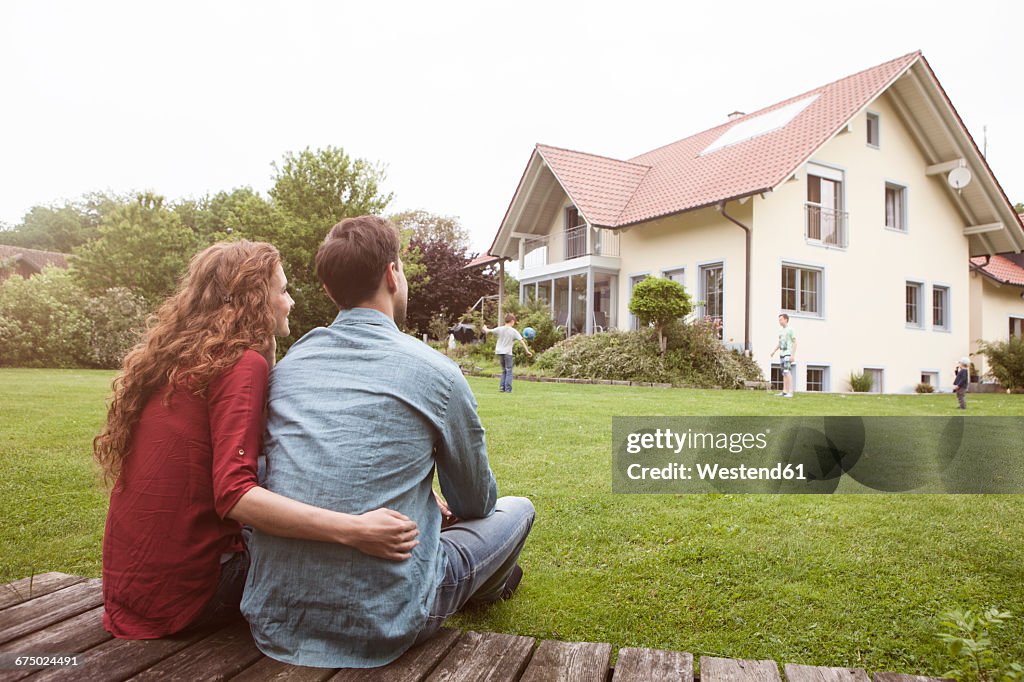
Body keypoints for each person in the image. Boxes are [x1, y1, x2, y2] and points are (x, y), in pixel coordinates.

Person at [242, 216, 535, 669]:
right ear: (392, 273)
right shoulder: (437, 372)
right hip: (389, 618)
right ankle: (491, 585)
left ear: (327, 289)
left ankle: (486, 577)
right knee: (517, 509)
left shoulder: (291, 364)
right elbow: (475, 502)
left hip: (276, 617)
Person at [96, 240, 419, 640]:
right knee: (326, 540)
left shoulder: (182, 359)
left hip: (132, 591)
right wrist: (354, 529)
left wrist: (267, 353)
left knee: (277, 470)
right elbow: (235, 496)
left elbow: (267, 448)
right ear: (254, 300)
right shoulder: (239, 364)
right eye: (282, 291)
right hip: (192, 595)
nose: (291, 302)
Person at [482, 313, 533, 393]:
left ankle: (502, 388)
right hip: (508, 352)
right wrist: (527, 351)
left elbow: (488, 331)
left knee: (503, 370)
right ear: (512, 321)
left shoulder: (500, 329)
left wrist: (485, 328)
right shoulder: (514, 331)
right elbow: (522, 342)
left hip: (500, 352)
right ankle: (508, 389)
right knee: (509, 370)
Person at [769, 313, 797, 398]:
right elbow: (780, 343)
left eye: (781, 319)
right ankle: (784, 391)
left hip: (788, 354)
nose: (779, 321)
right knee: (784, 373)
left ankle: (790, 392)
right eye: (779, 320)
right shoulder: (781, 331)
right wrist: (774, 351)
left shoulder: (790, 330)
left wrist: (792, 355)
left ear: (786, 319)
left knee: (787, 372)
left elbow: (795, 342)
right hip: (781, 354)